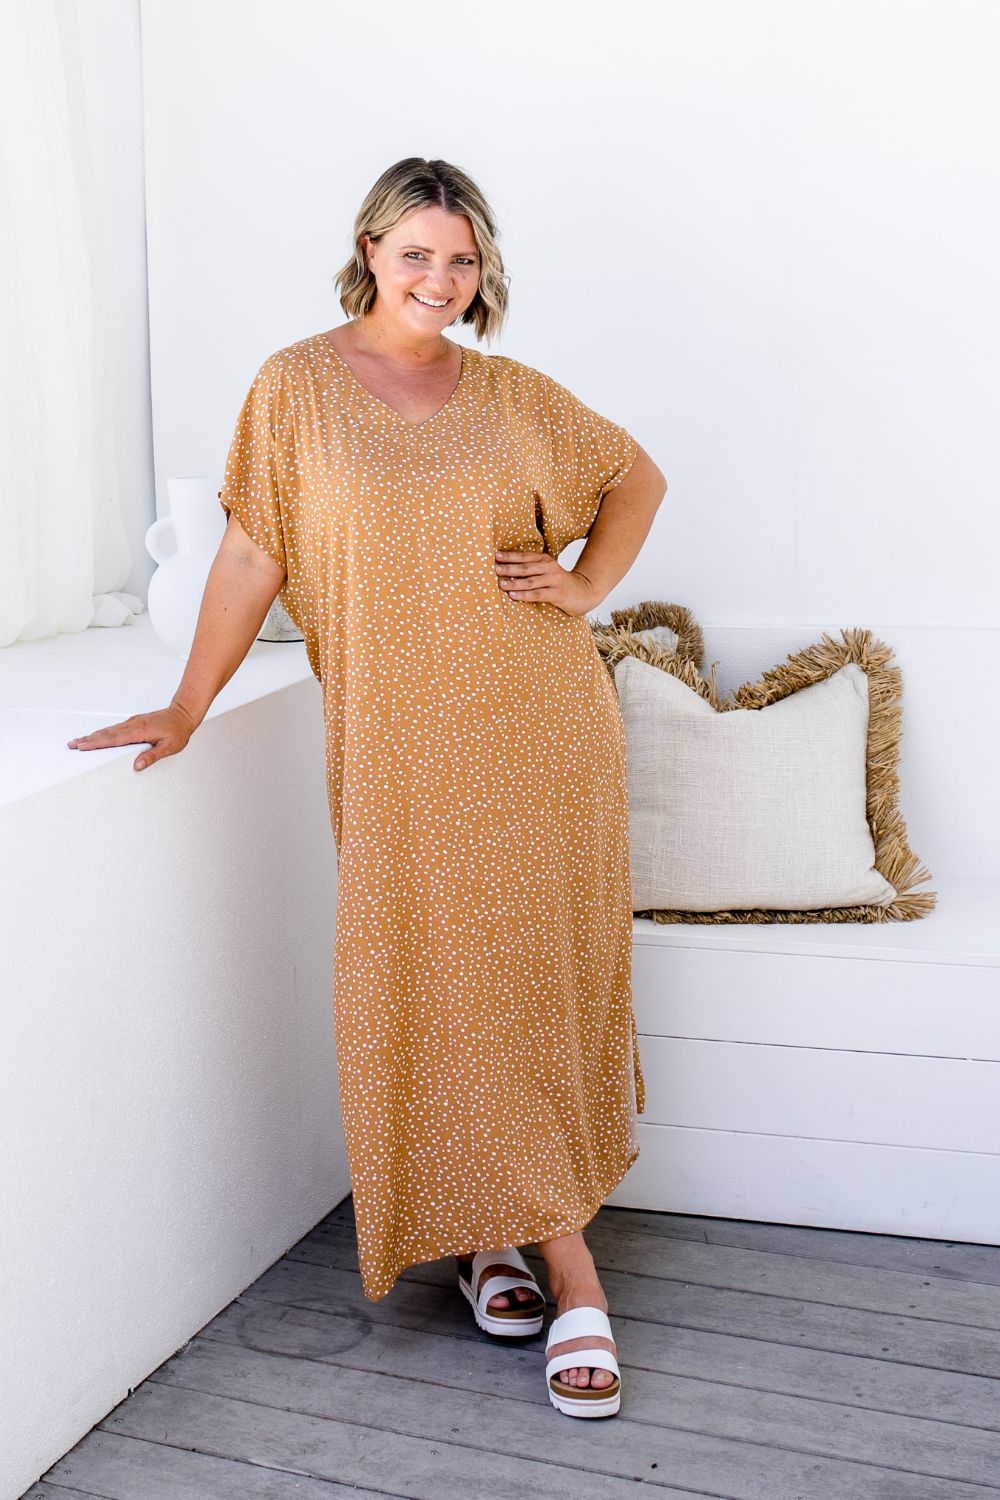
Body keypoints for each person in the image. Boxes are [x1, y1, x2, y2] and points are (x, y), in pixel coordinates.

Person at [67, 156, 667, 1418]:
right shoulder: (293, 388)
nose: (440, 281)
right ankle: (489, 1232)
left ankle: (564, 1258)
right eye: (417, 256)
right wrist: (184, 705)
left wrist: (586, 585)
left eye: (462, 260)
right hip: (401, 747)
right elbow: (247, 550)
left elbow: (633, 477)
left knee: (526, 972)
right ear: (369, 250)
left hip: (539, 727)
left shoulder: (509, 396)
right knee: (434, 975)